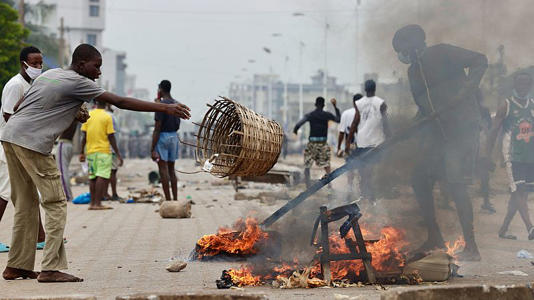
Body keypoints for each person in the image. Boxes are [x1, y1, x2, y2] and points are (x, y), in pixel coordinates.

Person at [1, 44, 190, 282]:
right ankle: (50, 268)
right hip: (33, 143)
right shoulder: (78, 81)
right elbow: (120, 101)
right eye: (96, 66)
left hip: (10, 136)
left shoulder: (51, 74)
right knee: (56, 202)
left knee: (26, 204)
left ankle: (17, 266)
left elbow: (20, 106)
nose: (99, 72)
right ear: (81, 65)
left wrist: (70, 110)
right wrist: (166, 108)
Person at [393, 24, 488, 261]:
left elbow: (480, 60)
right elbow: (424, 109)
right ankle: (434, 236)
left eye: (401, 49)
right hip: (438, 133)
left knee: (456, 183)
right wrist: (408, 129)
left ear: (414, 45)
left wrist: (464, 92)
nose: (400, 55)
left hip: (462, 128)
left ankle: (472, 247)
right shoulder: (413, 72)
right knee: (419, 177)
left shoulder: (442, 52)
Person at [0, 46, 46, 253]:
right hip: (10, 145)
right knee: (5, 192)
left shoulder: (31, 84)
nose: (38, 67)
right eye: (34, 64)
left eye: (40, 63)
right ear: (23, 64)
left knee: (30, 190)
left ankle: (40, 236)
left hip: (23, 145)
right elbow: (9, 117)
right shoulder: (15, 85)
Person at [485, 72, 534, 240]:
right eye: (520, 84)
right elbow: (493, 131)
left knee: (519, 194)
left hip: (530, 157)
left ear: (530, 86)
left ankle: (503, 230)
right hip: (513, 156)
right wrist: (488, 154)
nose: (523, 87)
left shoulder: (533, 104)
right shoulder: (506, 105)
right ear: (515, 85)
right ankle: (530, 228)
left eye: (526, 84)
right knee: (519, 190)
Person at [347, 80, 389, 205]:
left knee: (363, 170)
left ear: (365, 89)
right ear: (375, 88)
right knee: (371, 171)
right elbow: (385, 122)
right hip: (376, 142)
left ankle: (365, 195)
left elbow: (354, 123)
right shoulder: (381, 103)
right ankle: (370, 197)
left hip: (362, 142)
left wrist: (348, 142)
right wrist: (390, 136)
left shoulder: (359, 103)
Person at [79, 99, 122, 210]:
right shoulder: (107, 116)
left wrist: (81, 152)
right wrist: (118, 153)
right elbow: (111, 137)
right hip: (103, 151)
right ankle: (98, 203)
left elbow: (84, 136)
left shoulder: (89, 115)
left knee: (92, 177)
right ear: (107, 103)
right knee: (101, 176)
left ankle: (92, 203)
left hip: (90, 152)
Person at [293, 97, 340, 188]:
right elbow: (338, 119)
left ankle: (307, 185)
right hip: (322, 143)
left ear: (316, 104)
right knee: (326, 164)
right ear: (323, 105)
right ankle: (329, 183)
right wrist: (335, 107)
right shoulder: (326, 115)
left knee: (307, 165)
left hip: (312, 143)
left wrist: (295, 130)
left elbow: (298, 124)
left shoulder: (311, 115)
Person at [151, 80, 181, 201]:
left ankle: (168, 200)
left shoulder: (160, 106)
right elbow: (178, 125)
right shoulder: (177, 104)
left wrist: (152, 148)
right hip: (174, 136)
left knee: (163, 170)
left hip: (162, 136)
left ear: (160, 90)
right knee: (172, 170)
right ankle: (175, 199)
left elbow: (157, 127)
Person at [337, 94, 363, 200]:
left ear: (353, 102)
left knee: (350, 168)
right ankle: (362, 192)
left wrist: (339, 147)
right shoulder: (367, 114)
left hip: (350, 144)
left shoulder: (346, 113)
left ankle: (350, 189)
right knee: (364, 168)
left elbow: (342, 132)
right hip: (363, 145)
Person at [56, 120, 78, 202]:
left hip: (64, 144)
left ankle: (67, 196)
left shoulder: (70, 115)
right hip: (68, 144)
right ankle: (67, 194)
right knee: (63, 170)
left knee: (62, 171)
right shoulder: (74, 115)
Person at [105, 103, 123, 201]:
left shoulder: (110, 115)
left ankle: (107, 193)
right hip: (110, 148)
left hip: (110, 148)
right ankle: (112, 194)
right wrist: (117, 152)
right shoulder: (109, 116)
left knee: (111, 171)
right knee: (112, 171)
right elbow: (111, 135)